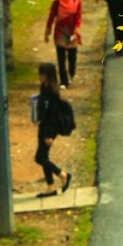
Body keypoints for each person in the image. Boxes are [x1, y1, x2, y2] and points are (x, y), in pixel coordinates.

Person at [34, 62, 72, 198]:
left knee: (39, 157)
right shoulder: (44, 88)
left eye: (42, 74)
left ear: (48, 75)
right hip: (43, 126)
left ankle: (63, 175)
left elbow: (52, 115)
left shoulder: (52, 92)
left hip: (49, 128)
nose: (40, 77)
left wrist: (49, 135)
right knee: (44, 157)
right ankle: (51, 186)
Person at [44, 0, 82, 89]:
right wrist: (47, 32)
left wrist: (76, 30)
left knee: (72, 57)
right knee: (61, 58)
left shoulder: (77, 1)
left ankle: (72, 73)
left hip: (72, 31)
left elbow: (78, 17)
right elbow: (51, 17)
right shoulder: (57, 3)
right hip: (60, 32)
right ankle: (64, 81)